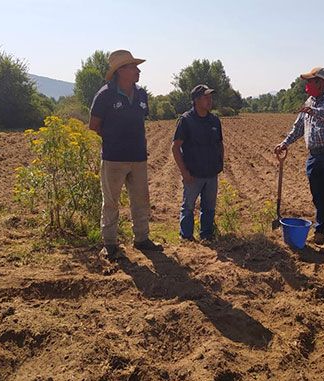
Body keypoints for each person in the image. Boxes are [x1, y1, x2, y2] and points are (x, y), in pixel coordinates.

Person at [89, 49, 162, 260]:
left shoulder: (141, 94)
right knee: (111, 202)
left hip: (138, 156)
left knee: (141, 200)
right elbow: (94, 126)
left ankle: (142, 239)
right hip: (113, 158)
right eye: (132, 66)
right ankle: (110, 244)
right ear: (121, 71)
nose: (138, 70)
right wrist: (114, 139)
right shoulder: (105, 95)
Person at [274, 67, 324, 252]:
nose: (307, 86)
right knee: (318, 196)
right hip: (315, 155)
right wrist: (285, 143)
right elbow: (299, 125)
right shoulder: (310, 101)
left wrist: (314, 111)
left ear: (320, 82)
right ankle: (320, 230)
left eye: (310, 81)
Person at [171, 84, 224, 241]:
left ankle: (206, 235)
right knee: (188, 207)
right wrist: (184, 173)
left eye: (210, 97)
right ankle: (186, 238)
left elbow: (220, 143)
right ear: (196, 100)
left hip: (211, 173)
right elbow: (175, 148)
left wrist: (220, 164)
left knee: (209, 208)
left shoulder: (214, 120)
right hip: (193, 175)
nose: (210, 100)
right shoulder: (186, 121)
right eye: (206, 97)